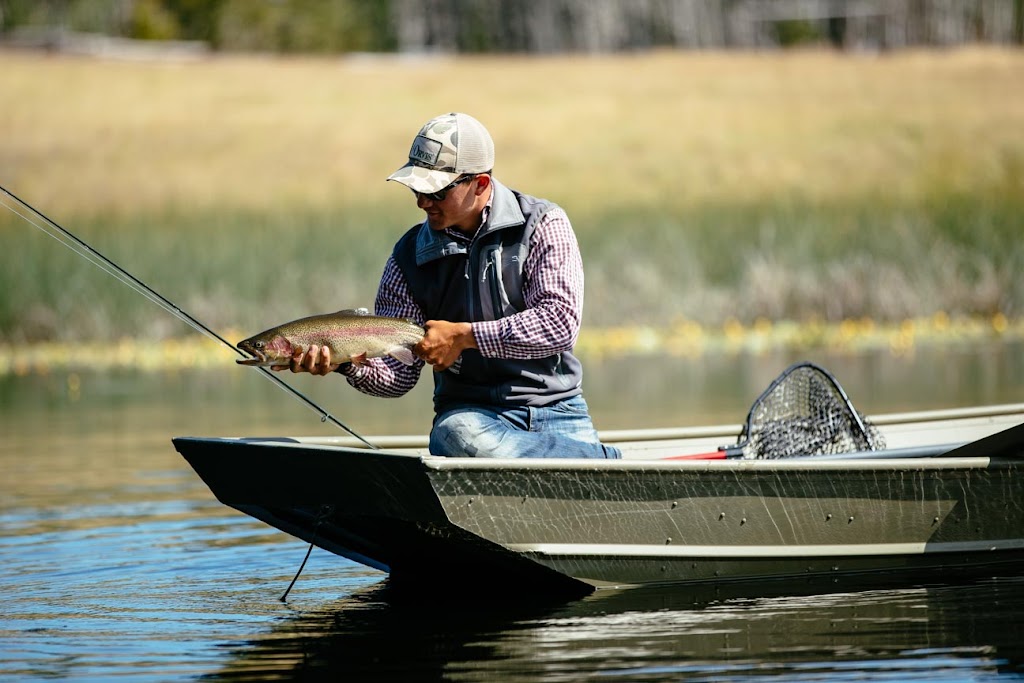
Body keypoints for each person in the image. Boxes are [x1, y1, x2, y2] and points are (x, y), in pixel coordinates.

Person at [278, 112, 620, 459]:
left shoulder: (544, 224)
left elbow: (558, 325)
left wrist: (464, 337)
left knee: (456, 440)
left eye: (435, 191)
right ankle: (589, 462)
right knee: (453, 434)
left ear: (481, 184)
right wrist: (346, 363)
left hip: (559, 412)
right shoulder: (407, 258)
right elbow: (398, 376)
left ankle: (590, 461)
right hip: (470, 420)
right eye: (416, 188)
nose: (422, 202)